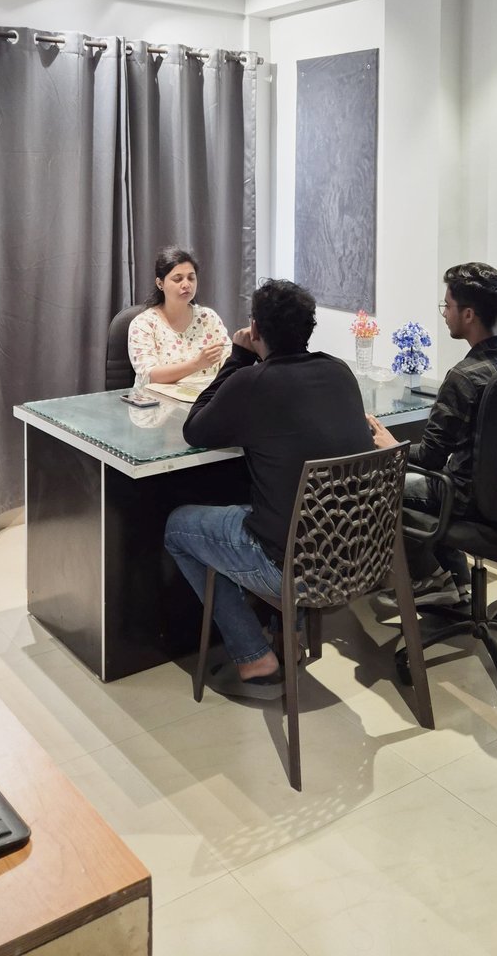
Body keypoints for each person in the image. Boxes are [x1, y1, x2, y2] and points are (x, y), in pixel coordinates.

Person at [164, 279, 371, 699]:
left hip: (291, 568)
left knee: (178, 527)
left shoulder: (252, 383)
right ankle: (289, 635)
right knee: (281, 505)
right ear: (309, 327)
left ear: (256, 328)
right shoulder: (340, 371)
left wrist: (237, 357)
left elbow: (195, 429)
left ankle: (252, 653)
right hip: (357, 556)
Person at [366, 262, 497, 608]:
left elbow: (430, 457)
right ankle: (456, 580)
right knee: (441, 479)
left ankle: (429, 577)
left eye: (447, 305)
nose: (444, 314)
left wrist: (394, 446)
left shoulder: (464, 377)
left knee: (378, 485)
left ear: (468, 314)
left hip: (470, 499)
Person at [127, 246, 231, 389]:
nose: (186, 284)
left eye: (191, 278)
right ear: (160, 283)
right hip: (156, 400)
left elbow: (228, 362)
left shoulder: (208, 318)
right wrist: (196, 364)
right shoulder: (143, 324)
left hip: (205, 399)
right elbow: (150, 375)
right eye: (178, 279)